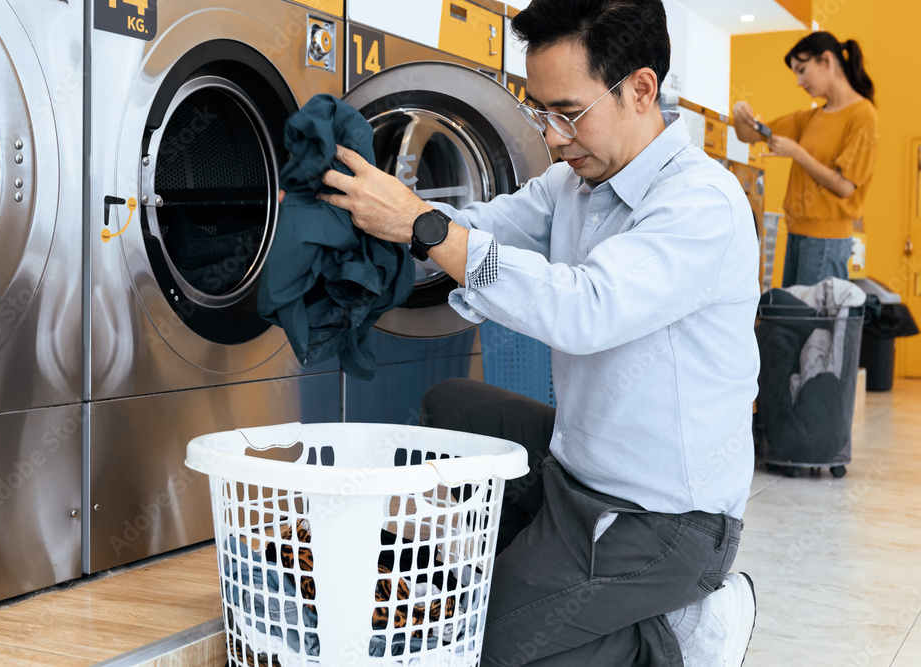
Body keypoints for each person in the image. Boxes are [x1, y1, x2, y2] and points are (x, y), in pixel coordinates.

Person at [317, 0, 759, 663]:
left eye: (569, 112)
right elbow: (486, 227)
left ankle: (691, 632)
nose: (553, 137)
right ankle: (544, 575)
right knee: (449, 407)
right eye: (540, 111)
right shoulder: (572, 187)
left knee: (491, 651)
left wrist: (426, 226)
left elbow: (587, 309)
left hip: (663, 521)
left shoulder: (700, 203)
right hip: (574, 468)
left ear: (641, 89)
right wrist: (381, 212)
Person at [733, 31, 878, 287]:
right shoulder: (809, 119)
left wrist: (797, 152)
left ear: (826, 60)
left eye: (802, 69)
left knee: (809, 325)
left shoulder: (863, 115)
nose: (799, 82)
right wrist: (740, 111)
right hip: (797, 234)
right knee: (795, 324)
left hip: (827, 243)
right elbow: (747, 134)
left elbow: (845, 186)